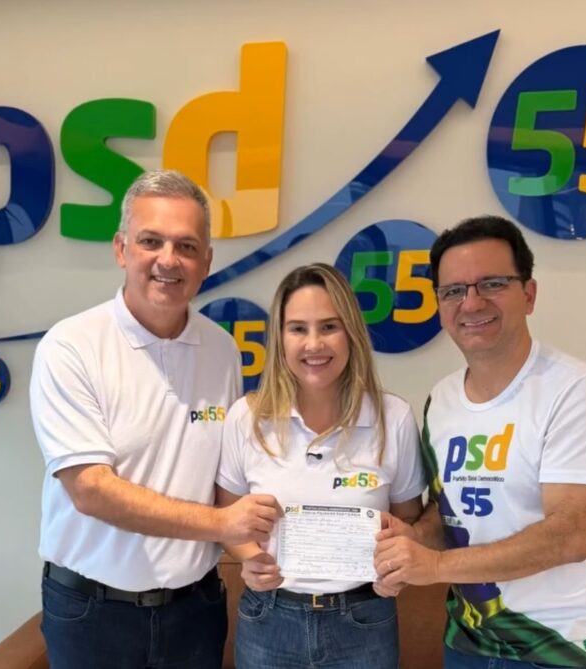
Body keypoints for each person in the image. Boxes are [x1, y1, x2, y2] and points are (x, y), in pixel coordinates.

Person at [30, 169, 279, 669]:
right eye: (151, 241)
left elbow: (225, 480)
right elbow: (91, 489)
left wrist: (254, 552)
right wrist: (222, 523)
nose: (169, 259)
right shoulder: (71, 346)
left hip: (195, 610)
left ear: (206, 262)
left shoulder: (223, 351)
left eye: (187, 246)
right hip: (93, 614)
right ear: (121, 249)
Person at [374, 216, 586, 669]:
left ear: (528, 294)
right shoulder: (441, 400)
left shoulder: (576, 389)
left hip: (561, 645)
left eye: (491, 283)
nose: (471, 302)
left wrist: (434, 567)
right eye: (453, 290)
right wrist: (413, 539)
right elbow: (447, 513)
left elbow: (570, 536)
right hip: (467, 641)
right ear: (439, 305)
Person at [216, 262, 426, 669]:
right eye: (298, 328)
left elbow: (408, 522)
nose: (314, 344)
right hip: (269, 618)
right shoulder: (247, 417)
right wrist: (248, 557)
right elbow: (226, 519)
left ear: (351, 333)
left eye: (329, 326)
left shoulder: (393, 418)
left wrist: (396, 564)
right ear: (279, 338)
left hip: (364, 619)